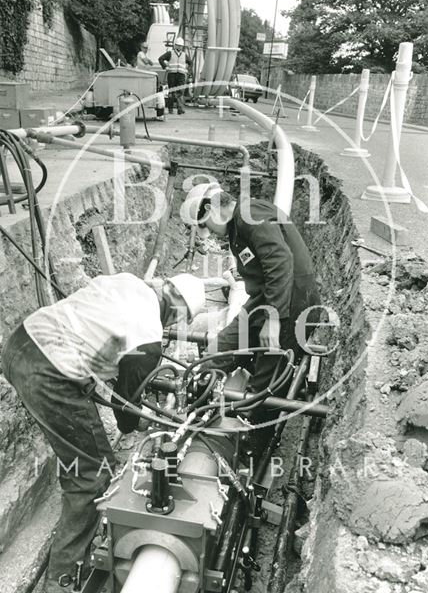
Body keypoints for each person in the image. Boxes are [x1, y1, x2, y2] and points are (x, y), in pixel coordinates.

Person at [1, 272, 205, 593]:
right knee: (94, 474)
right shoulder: (148, 334)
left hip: (19, 344)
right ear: (176, 308)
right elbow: (125, 414)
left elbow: (103, 337)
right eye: (182, 318)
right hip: (48, 371)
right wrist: (148, 420)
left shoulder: (129, 281)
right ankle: (62, 580)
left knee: (81, 449)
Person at [180, 183, 321, 394]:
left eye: (207, 227)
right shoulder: (238, 228)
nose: (211, 234)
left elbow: (280, 261)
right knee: (217, 353)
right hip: (266, 298)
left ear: (210, 210)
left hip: (292, 302)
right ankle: (202, 394)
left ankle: (252, 422)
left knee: (265, 384)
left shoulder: (250, 215)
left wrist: (272, 319)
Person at [158, 36, 191, 115]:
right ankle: (170, 109)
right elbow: (160, 59)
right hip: (172, 74)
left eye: (181, 46)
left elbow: (191, 63)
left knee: (180, 92)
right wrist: (165, 66)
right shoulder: (170, 53)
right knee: (172, 92)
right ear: (175, 45)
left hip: (181, 75)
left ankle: (180, 109)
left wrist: (188, 70)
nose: (179, 47)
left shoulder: (184, 55)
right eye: (178, 45)